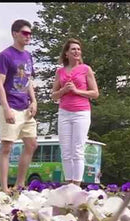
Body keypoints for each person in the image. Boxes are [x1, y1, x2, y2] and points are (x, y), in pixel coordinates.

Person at [0, 19, 38, 194]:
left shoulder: (28, 56)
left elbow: (29, 81)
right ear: (14, 33)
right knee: (7, 146)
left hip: (25, 107)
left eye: (30, 33)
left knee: (32, 144)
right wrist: (6, 108)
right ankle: (4, 189)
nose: (28, 36)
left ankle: (19, 185)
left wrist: (34, 101)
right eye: (25, 33)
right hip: (10, 105)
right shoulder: (4, 56)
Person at [51, 38, 99, 186]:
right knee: (65, 149)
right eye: (73, 49)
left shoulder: (86, 69)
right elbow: (53, 96)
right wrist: (64, 90)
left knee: (77, 149)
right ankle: (68, 182)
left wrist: (76, 90)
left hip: (81, 113)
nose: (76, 51)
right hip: (64, 113)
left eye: (78, 49)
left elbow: (95, 93)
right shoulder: (60, 72)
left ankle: (76, 185)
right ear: (66, 53)